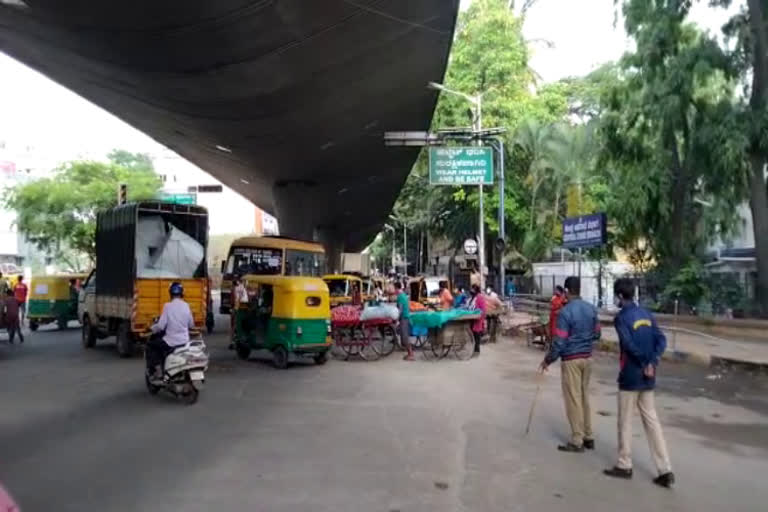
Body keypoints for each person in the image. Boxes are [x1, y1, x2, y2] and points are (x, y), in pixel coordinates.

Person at [604, 278, 675, 488]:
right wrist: (652, 362)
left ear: (619, 296)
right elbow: (661, 340)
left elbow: (628, 344)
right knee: (652, 422)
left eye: (615, 295)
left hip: (630, 376)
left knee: (625, 421)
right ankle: (665, 470)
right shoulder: (646, 314)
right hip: (648, 376)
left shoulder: (621, 318)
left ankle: (624, 464)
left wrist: (645, 362)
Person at [539, 276, 600, 453]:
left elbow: (559, 342)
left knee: (573, 399)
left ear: (566, 291)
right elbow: (597, 335)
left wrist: (548, 360)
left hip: (571, 359)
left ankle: (576, 440)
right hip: (587, 358)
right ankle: (588, 436)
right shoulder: (591, 309)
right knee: (584, 397)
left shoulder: (565, 313)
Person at [147, 282, 195, 379]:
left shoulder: (167, 306)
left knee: (151, 346)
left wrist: (152, 328)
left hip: (171, 342)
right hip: (185, 341)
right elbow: (191, 324)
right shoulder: (186, 306)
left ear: (170, 294)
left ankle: (158, 371)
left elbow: (160, 326)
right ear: (182, 294)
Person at [394, 281, 414, 361]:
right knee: (403, 335)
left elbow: (400, 309)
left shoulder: (400, 297)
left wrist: (396, 318)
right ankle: (409, 353)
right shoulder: (403, 295)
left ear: (396, 288)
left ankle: (411, 354)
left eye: (394, 288)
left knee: (405, 337)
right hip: (406, 317)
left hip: (404, 318)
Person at [467, 284, 487, 356]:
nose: (471, 291)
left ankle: (476, 351)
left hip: (477, 319)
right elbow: (469, 306)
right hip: (471, 318)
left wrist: (480, 318)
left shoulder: (480, 297)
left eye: (473, 289)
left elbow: (484, 310)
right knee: (472, 334)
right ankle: (473, 349)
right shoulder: (472, 297)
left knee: (476, 334)